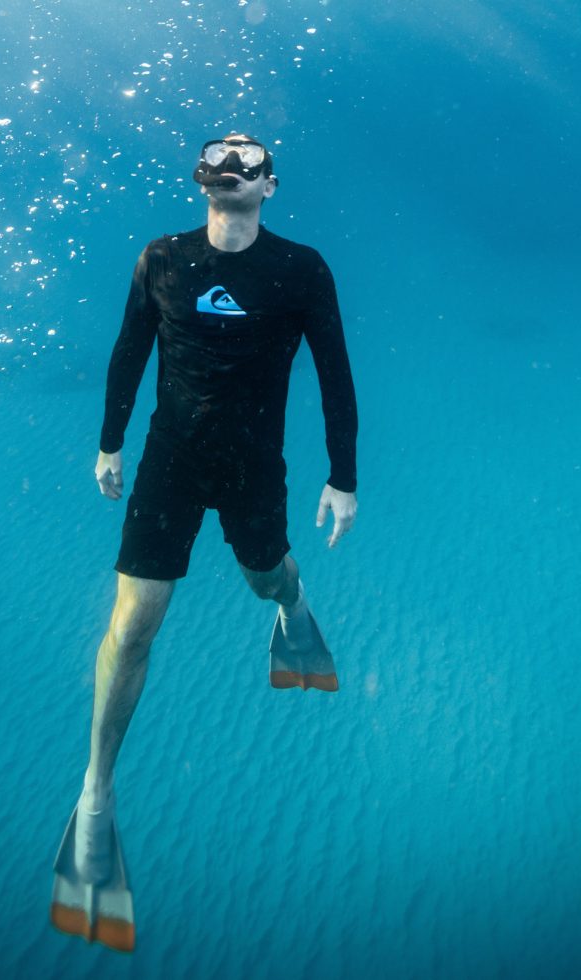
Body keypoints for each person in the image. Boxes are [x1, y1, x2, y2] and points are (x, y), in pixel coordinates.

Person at [50, 134, 358, 950]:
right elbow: (128, 353)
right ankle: (97, 793)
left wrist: (343, 477)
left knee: (266, 579)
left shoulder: (301, 269)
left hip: (255, 466)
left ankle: (293, 609)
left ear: (270, 186)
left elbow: (335, 373)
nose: (233, 167)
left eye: (249, 160)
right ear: (202, 179)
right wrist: (109, 443)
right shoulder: (161, 258)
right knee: (133, 622)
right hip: (170, 463)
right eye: (220, 155)